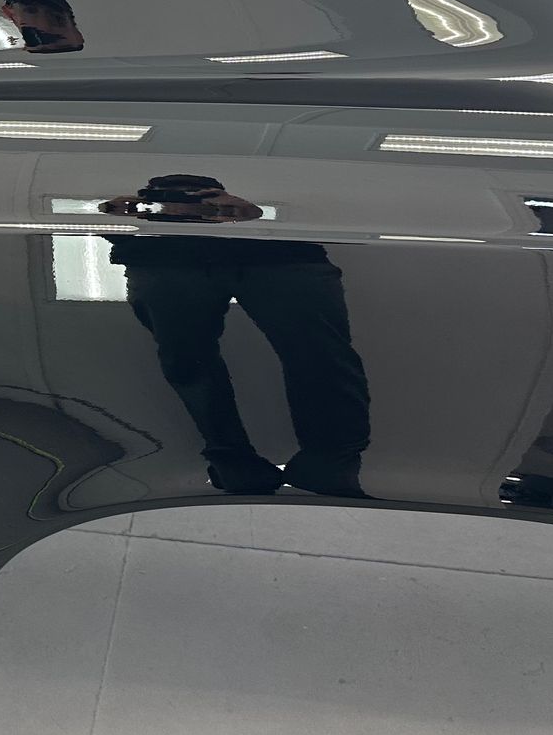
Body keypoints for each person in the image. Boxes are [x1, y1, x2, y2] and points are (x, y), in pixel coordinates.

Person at [101, 174, 372, 496]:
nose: (190, 205)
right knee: (187, 360)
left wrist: (256, 214)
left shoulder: (271, 190)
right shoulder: (137, 214)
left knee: (321, 356)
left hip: (276, 254)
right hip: (170, 256)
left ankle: (324, 461)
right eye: (172, 197)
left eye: (197, 197)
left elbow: (333, 212)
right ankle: (244, 461)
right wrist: (113, 216)